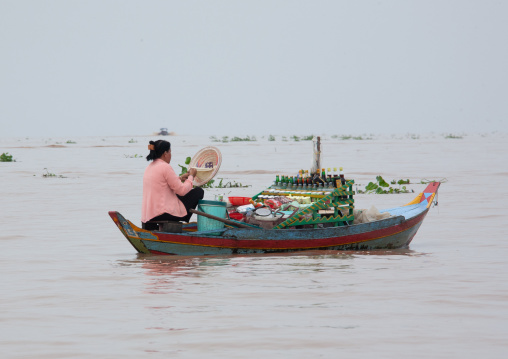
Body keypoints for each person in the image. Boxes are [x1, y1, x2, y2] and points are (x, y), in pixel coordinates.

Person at [141, 140, 204, 230]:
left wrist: (180, 178)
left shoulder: (149, 167)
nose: (171, 155)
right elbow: (182, 191)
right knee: (198, 191)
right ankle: (183, 216)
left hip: (148, 214)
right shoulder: (165, 167)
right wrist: (191, 176)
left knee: (177, 194)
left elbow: (162, 184)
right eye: (170, 152)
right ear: (165, 153)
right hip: (163, 213)